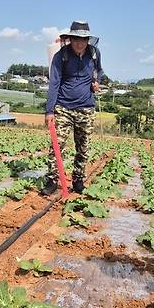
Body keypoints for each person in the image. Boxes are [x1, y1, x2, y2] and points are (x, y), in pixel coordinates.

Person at [41, 20, 104, 195]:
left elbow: (100, 71)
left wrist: (97, 81)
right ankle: (52, 181)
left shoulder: (94, 54)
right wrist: (49, 110)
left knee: (83, 147)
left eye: (83, 40)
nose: (79, 43)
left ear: (88, 41)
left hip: (86, 108)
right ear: (70, 39)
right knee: (57, 146)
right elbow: (54, 83)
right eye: (76, 39)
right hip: (63, 107)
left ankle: (78, 180)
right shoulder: (61, 56)